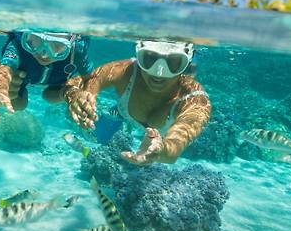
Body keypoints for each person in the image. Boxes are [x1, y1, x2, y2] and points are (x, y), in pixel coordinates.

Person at [66, 39, 211, 164]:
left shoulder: (195, 99)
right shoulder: (126, 70)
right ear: (139, 54)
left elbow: (176, 146)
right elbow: (81, 81)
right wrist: (78, 96)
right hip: (123, 113)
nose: (159, 72)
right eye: (149, 59)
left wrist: (160, 150)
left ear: (184, 64)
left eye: (173, 63)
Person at [0, 31, 93, 121]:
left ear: (72, 42)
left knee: (51, 95)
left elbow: (90, 79)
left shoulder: (77, 49)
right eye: (35, 41)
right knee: (18, 105)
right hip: (22, 78)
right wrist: (0, 91)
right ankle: (13, 94)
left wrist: (80, 96)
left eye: (57, 46)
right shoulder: (17, 45)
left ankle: (64, 93)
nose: (44, 54)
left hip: (59, 83)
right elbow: (4, 71)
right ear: (26, 36)